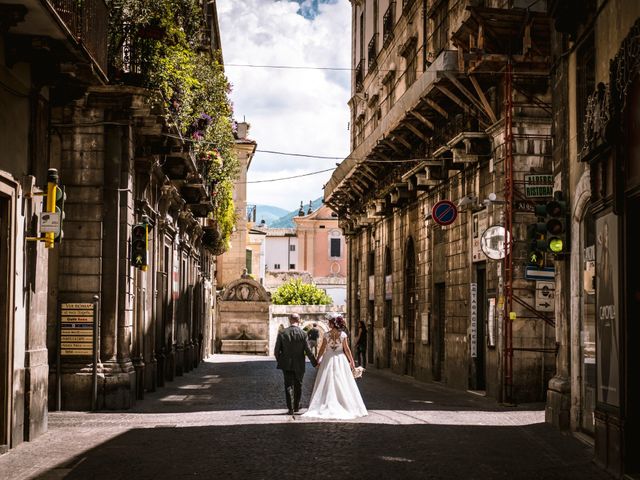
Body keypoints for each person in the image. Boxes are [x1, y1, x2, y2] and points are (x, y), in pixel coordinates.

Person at [302, 316, 368, 420]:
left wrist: (317, 360)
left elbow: (323, 348)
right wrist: (351, 361)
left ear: (333, 324)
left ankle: (326, 402)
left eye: (329, 322)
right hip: (340, 358)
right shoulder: (343, 335)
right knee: (342, 380)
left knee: (327, 380)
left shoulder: (326, 335)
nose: (328, 324)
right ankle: (343, 403)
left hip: (328, 358)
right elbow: (346, 349)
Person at [274, 313, 318, 415]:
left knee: (288, 385)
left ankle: (290, 408)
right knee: (299, 384)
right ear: (299, 320)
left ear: (290, 320)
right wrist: (314, 363)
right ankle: (296, 406)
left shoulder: (282, 333)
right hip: (299, 364)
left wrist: (281, 360)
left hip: (286, 364)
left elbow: (276, 351)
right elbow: (308, 351)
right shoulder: (303, 334)